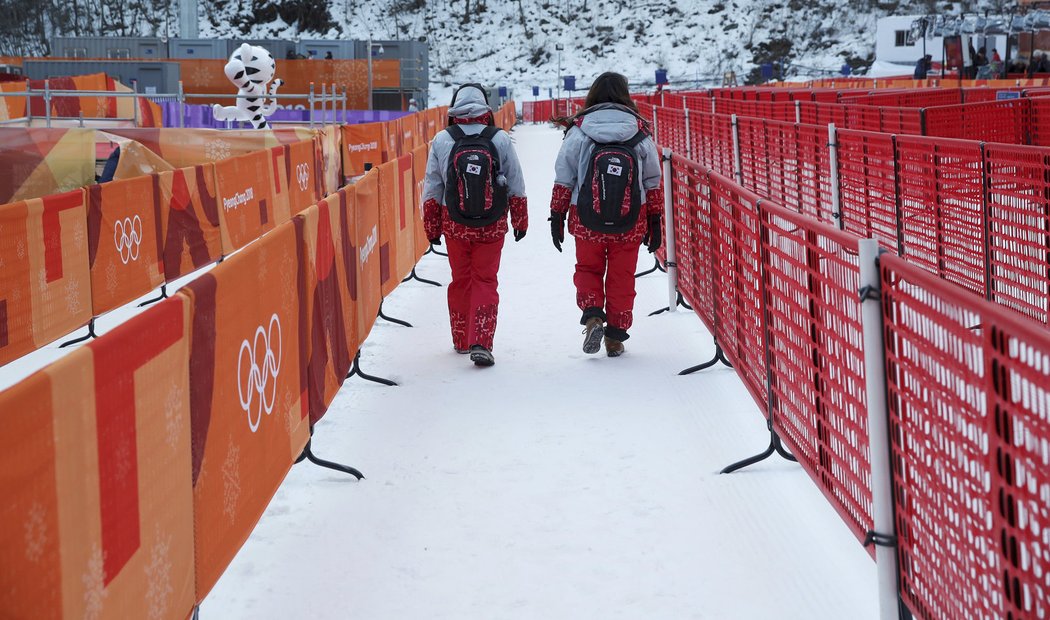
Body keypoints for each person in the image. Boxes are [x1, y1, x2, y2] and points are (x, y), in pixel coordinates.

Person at [548, 71, 663, 357]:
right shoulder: (639, 132)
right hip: (631, 218)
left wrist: (557, 214)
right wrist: (655, 219)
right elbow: (652, 180)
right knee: (622, 275)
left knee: (588, 268)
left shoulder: (579, 130)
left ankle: (593, 315)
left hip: (586, 216)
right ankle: (615, 337)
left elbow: (564, 176)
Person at [421, 84, 528, 367]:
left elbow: (433, 186)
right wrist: (520, 217)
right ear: (486, 109)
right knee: (485, 280)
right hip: (491, 224)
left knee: (461, 279)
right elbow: (515, 180)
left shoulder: (443, 139)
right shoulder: (500, 139)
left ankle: (461, 338)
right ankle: (481, 340)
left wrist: (432, 225)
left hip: (454, 222)